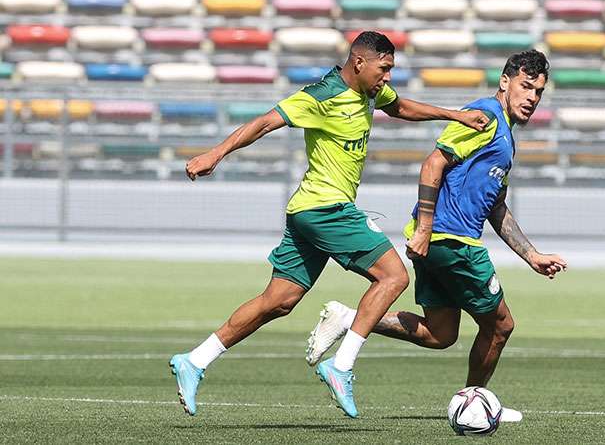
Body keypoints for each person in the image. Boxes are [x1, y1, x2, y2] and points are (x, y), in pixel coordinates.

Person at [169, 31, 489, 418]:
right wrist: (215, 154)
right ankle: (341, 366)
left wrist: (455, 114)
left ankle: (195, 360)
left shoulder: (370, 93)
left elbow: (402, 108)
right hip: (326, 208)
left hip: (307, 212)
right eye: (384, 69)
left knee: (279, 301)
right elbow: (265, 122)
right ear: (359, 63)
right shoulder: (322, 95)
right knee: (393, 277)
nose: (387, 77)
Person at [305, 49, 567, 422]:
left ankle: (349, 317)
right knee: (500, 325)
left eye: (539, 92)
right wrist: (426, 228)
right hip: (452, 240)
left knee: (440, 333)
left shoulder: (505, 136)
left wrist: (532, 255)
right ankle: (474, 401)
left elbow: (496, 207)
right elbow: (433, 163)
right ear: (505, 82)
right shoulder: (485, 117)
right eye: (526, 87)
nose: (532, 98)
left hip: (439, 241)